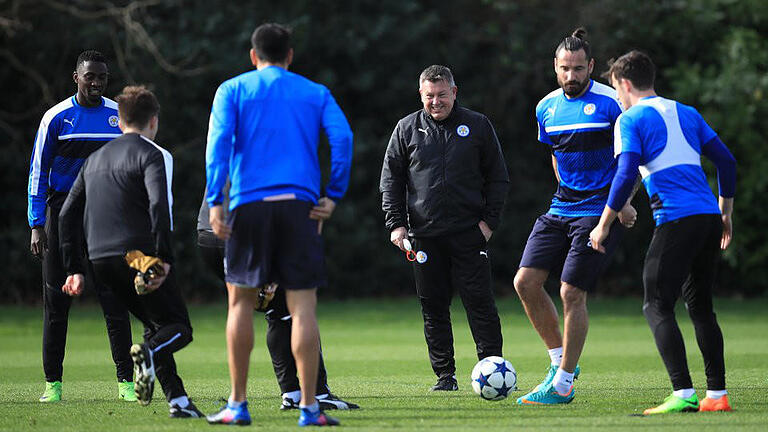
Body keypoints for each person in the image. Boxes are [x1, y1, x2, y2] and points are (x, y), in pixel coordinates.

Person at [204, 23, 353, 427]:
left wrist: (215, 200)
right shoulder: (314, 92)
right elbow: (342, 139)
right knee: (302, 307)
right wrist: (332, 194)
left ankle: (238, 404)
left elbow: (217, 146)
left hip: (249, 205)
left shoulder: (232, 90)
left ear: (253, 56)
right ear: (290, 57)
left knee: (240, 304)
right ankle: (309, 408)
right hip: (299, 208)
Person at [590, 50, 736, 414]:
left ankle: (683, 392)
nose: (619, 98)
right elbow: (727, 162)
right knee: (701, 307)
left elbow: (625, 174)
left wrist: (603, 224)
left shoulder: (630, 119)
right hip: (708, 217)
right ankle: (716, 396)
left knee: (656, 304)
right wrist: (725, 213)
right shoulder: (687, 112)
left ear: (624, 84)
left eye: (617, 91)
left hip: (676, 218)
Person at [58, 85, 203, 418]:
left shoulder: (94, 159)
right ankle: (149, 355)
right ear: (153, 122)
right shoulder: (150, 154)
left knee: (156, 324)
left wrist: (73, 268)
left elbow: (66, 214)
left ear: (120, 121)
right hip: (136, 257)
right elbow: (158, 207)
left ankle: (178, 401)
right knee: (179, 327)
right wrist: (164, 260)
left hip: (98, 259)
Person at [514, 28, 637, 405]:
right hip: (561, 207)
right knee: (525, 282)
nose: (572, 76)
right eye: (565, 69)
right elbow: (556, 154)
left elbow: (631, 158)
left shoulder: (612, 103)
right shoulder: (545, 107)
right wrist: (564, 188)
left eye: (579, 69)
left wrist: (625, 202)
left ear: (592, 67)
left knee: (570, 291)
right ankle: (559, 362)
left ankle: (563, 385)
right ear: (555, 67)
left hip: (600, 209)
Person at [380, 64, 509, 392]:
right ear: (421, 95)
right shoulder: (406, 128)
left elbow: (498, 178)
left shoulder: (478, 125)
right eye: (429, 96)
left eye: (441, 95)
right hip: (423, 235)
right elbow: (391, 181)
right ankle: (445, 376)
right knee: (433, 307)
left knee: (480, 303)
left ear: (454, 92)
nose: (435, 102)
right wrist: (396, 225)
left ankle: (493, 368)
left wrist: (488, 224)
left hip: (469, 232)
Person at [26, 50, 135, 403]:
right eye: (89, 76)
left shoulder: (117, 117)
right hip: (61, 214)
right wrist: (36, 223)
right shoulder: (56, 118)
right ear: (76, 77)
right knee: (56, 302)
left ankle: (126, 384)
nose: (96, 83)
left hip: (105, 214)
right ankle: (53, 386)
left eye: (101, 77)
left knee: (114, 298)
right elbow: (38, 173)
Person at [197, 192, 359, 411]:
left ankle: (286, 394)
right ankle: (317, 394)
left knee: (268, 308)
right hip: (248, 228)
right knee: (299, 308)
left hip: (208, 231)